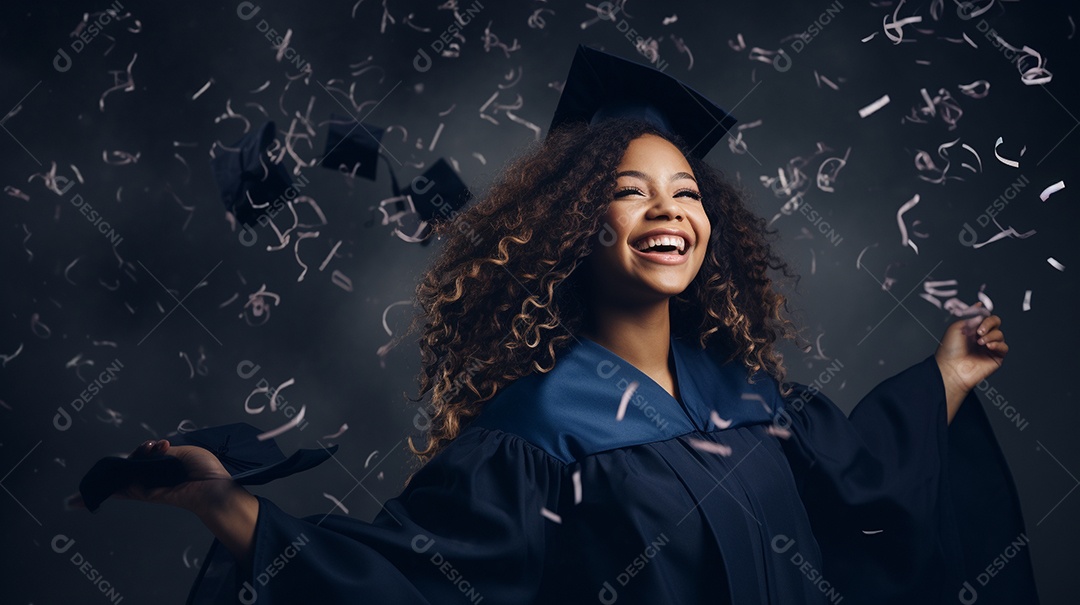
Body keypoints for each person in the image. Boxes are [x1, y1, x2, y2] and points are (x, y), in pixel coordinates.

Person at [75, 46, 1039, 604]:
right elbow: (412, 583)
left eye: (685, 190)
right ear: (578, 227)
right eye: (630, 192)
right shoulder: (533, 439)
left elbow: (870, 477)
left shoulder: (751, 398)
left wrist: (946, 375)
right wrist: (225, 506)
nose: (669, 211)